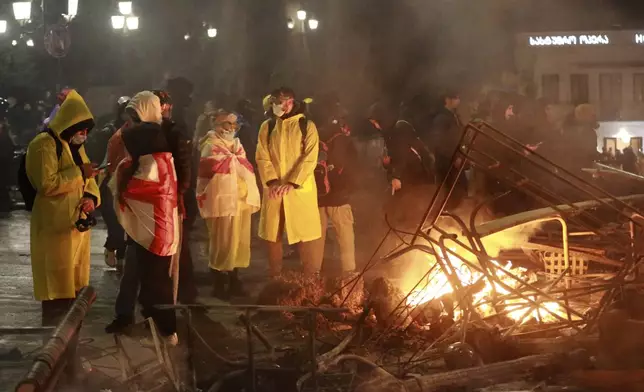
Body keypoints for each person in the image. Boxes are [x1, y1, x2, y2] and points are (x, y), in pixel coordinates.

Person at [26, 90, 100, 375]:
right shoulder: (43, 145)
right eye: (80, 129)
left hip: (76, 233)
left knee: (75, 298)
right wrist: (80, 175)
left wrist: (91, 198)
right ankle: (52, 364)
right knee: (57, 298)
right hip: (54, 232)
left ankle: (71, 359)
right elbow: (46, 184)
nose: (83, 135)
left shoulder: (73, 146)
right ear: (67, 124)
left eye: (85, 130)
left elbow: (90, 176)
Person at [110, 91, 180, 345]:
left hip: (154, 219)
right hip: (156, 219)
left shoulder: (144, 139)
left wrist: (121, 177)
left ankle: (165, 329)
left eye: (134, 114)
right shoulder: (158, 138)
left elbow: (142, 182)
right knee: (151, 275)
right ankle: (160, 327)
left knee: (155, 278)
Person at [256, 87, 321, 277]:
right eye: (273, 102)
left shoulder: (306, 125)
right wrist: (273, 182)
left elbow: (310, 157)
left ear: (289, 102)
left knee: (303, 235)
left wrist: (292, 183)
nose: (274, 106)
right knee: (273, 234)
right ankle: (275, 277)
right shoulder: (267, 126)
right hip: (274, 189)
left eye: (277, 102)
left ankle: (310, 280)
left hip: (299, 191)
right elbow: (262, 156)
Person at [197, 110, 260, 299]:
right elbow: (211, 170)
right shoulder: (210, 145)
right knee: (221, 241)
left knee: (239, 241)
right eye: (227, 124)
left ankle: (234, 279)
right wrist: (233, 161)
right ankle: (219, 281)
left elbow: (245, 167)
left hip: (240, 201)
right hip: (221, 201)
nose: (231, 128)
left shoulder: (237, 145)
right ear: (216, 125)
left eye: (234, 125)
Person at [153, 89, 198, 305]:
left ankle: (183, 294)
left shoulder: (174, 131)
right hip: (156, 200)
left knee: (179, 247)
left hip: (173, 199)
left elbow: (184, 165)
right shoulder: (144, 132)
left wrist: (180, 194)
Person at [311, 99, 357, 277]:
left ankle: (313, 272)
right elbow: (352, 164)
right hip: (339, 195)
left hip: (317, 194)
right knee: (345, 234)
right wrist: (350, 188)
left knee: (316, 235)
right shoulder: (342, 138)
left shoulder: (312, 133)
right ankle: (349, 272)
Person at [99, 96, 131, 269]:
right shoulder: (110, 130)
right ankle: (112, 246)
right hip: (111, 178)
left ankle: (121, 255)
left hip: (128, 178)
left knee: (126, 221)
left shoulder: (137, 130)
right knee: (114, 220)